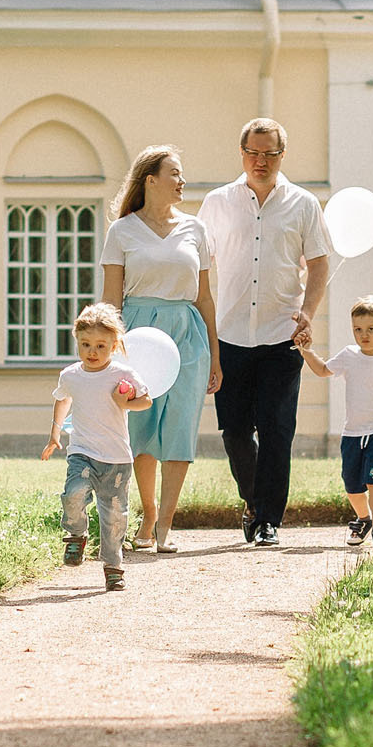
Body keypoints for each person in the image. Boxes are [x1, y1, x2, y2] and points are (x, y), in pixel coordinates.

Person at [199, 118, 333, 548]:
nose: (261, 161)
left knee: (277, 430)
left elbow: (318, 263)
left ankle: (269, 519)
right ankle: (253, 503)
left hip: (282, 335)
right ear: (242, 153)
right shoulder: (218, 203)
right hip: (231, 335)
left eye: (270, 154)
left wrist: (308, 312)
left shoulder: (303, 204)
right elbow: (198, 263)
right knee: (235, 431)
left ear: (282, 156)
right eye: (253, 153)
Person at [102, 145, 221, 554]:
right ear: (150, 179)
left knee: (181, 426)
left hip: (187, 334)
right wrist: (106, 356)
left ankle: (167, 523)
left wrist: (215, 356)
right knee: (141, 427)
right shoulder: (121, 231)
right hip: (136, 336)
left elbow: (205, 298)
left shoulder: (196, 229)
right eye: (174, 173)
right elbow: (110, 301)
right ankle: (149, 513)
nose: (182, 181)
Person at [40, 302, 151, 591]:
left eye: (101, 346)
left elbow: (146, 401)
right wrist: (55, 433)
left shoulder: (122, 375)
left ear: (114, 345)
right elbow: (63, 399)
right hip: (82, 451)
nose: (92, 352)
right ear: (77, 340)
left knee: (114, 515)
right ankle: (76, 534)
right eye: (86, 344)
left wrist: (124, 401)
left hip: (116, 458)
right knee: (74, 492)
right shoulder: (71, 375)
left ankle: (114, 567)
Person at [297, 293, 373, 547]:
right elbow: (322, 370)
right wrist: (305, 351)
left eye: (371, 329)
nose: (364, 335)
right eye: (358, 329)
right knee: (352, 486)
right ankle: (364, 518)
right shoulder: (349, 356)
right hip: (352, 432)